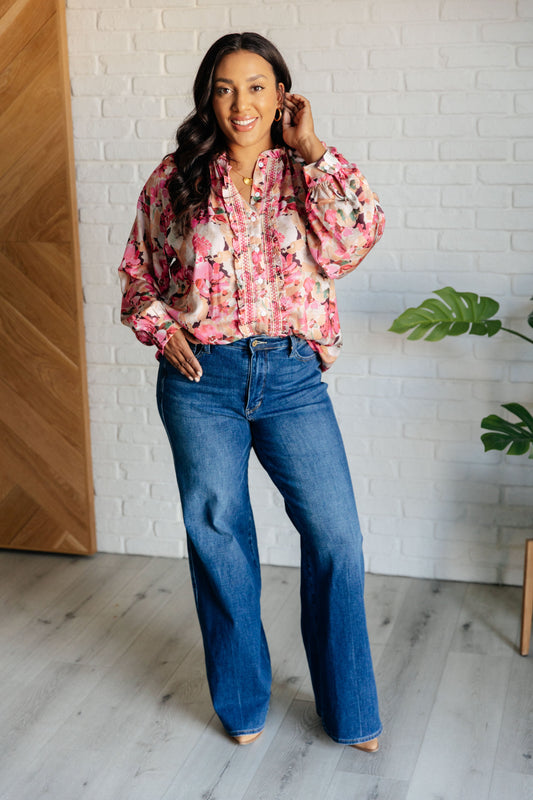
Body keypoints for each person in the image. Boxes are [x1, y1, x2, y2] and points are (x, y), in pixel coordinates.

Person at [119, 32, 384, 750]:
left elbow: (356, 238)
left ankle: (350, 711)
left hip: (293, 375)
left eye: (258, 86)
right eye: (227, 87)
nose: (242, 103)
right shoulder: (176, 177)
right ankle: (241, 703)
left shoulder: (306, 174)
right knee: (219, 541)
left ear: (282, 95)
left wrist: (314, 150)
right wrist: (155, 326)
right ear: (209, 94)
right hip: (201, 382)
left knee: (337, 539)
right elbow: (136, 269)